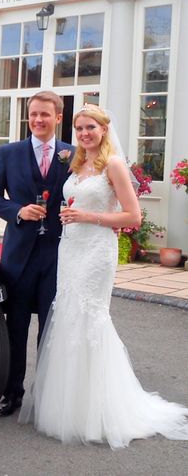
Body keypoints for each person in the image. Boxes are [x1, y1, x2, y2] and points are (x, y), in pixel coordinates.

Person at [19, 104, 188, 448]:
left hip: (96, 251)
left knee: (90, 318)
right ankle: (68, 406)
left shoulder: (113, 165)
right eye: (80, 128)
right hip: (71, 249)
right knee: (68, 316)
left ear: (104, 129)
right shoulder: (76, 163)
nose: (84, 133)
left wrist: (88, 217)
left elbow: (134, 216)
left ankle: (98, 410)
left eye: (90, 127)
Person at [0, 91, 74, 417]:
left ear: (58, 117)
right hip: (19, 256)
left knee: (50, 328)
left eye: (44, 114)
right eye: (33, 114)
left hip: (58, 255)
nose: (37, 120)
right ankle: (13, 392)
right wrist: (18, 211)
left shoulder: (74, 154)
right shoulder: (9, 153)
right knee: (16, 326)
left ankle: (46, 396)